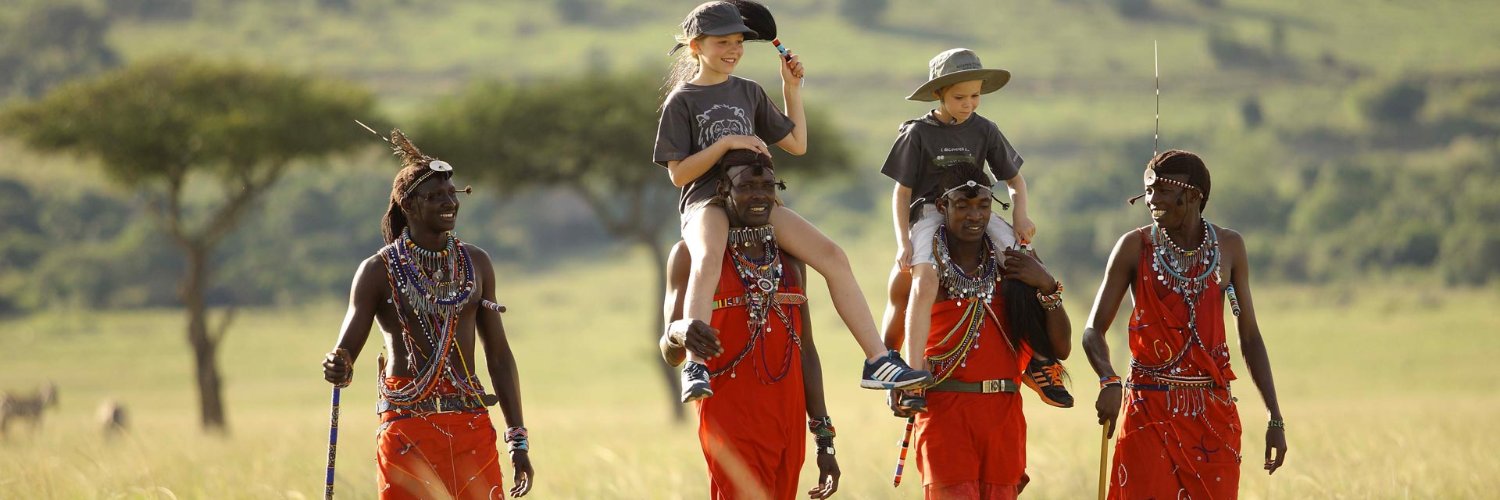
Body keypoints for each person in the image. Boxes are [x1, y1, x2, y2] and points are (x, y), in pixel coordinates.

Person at [656, 1, 927, 403]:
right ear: (695, 46)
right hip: (707, 202)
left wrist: (791, 89)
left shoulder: (748, 90)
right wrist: (727, 143)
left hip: (759, 203)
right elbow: (678, 174)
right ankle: (697, 363)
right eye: (722, 42)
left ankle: (876, 360)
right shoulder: (683, 99)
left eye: (738, 42)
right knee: (708, 256)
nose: (733, 49)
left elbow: (797, 144)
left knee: (833, 255)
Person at [321, 130, 533, 499]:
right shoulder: (378, 270)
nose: (449, 202)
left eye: (453, 194)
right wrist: (338, 365)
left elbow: (498, 355)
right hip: (407, 426)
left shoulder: (476, 263)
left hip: (470, 422)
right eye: (435, 197)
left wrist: (518, 441)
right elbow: (346, 354)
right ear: (409, 205)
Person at [1082, 149, 1288, 498]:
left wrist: (1275, 416)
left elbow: (1249, 335)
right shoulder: (1134, 247)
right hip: (1149, 410)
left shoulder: (1230, 247)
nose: (1151, 200)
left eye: (1162, 191)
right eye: (1148, 191)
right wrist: (1108, 379)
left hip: (1213, 414)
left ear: (1193, 195)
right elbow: (1093, 330)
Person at [879, 48, 1072, 410]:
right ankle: (913, 375)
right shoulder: (917, 132)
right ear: (939, 94)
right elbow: (902, 191)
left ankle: (1040, 360)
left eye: (975, 96)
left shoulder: (986, 129)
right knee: (923, 280)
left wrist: (1020, 216)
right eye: (959, 97)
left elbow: (1014, 180)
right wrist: (903, 240)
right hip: (931, 211)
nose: (969, 104)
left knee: (1023, 259)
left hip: (978, 208)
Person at [659, 150, 841, 499]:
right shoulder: (690, 256)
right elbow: (669, 351)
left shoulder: (790, 258)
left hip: (786, 419)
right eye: (746, 186)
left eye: (767, 186)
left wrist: (824, 438)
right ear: (722, 190)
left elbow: (806, 351)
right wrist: (681, 331)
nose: (759, 195)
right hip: (729, 414)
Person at [888, 162, 1072, 499]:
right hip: (943, 415)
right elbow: (889, 345)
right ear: (942, 207)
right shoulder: (917, 273)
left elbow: (1061, 347)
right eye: (963, 206)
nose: (975, 216)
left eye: (983, 206)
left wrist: (1046, 284)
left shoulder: (1013, 267)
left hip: (1004, 416)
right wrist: (900, 382)